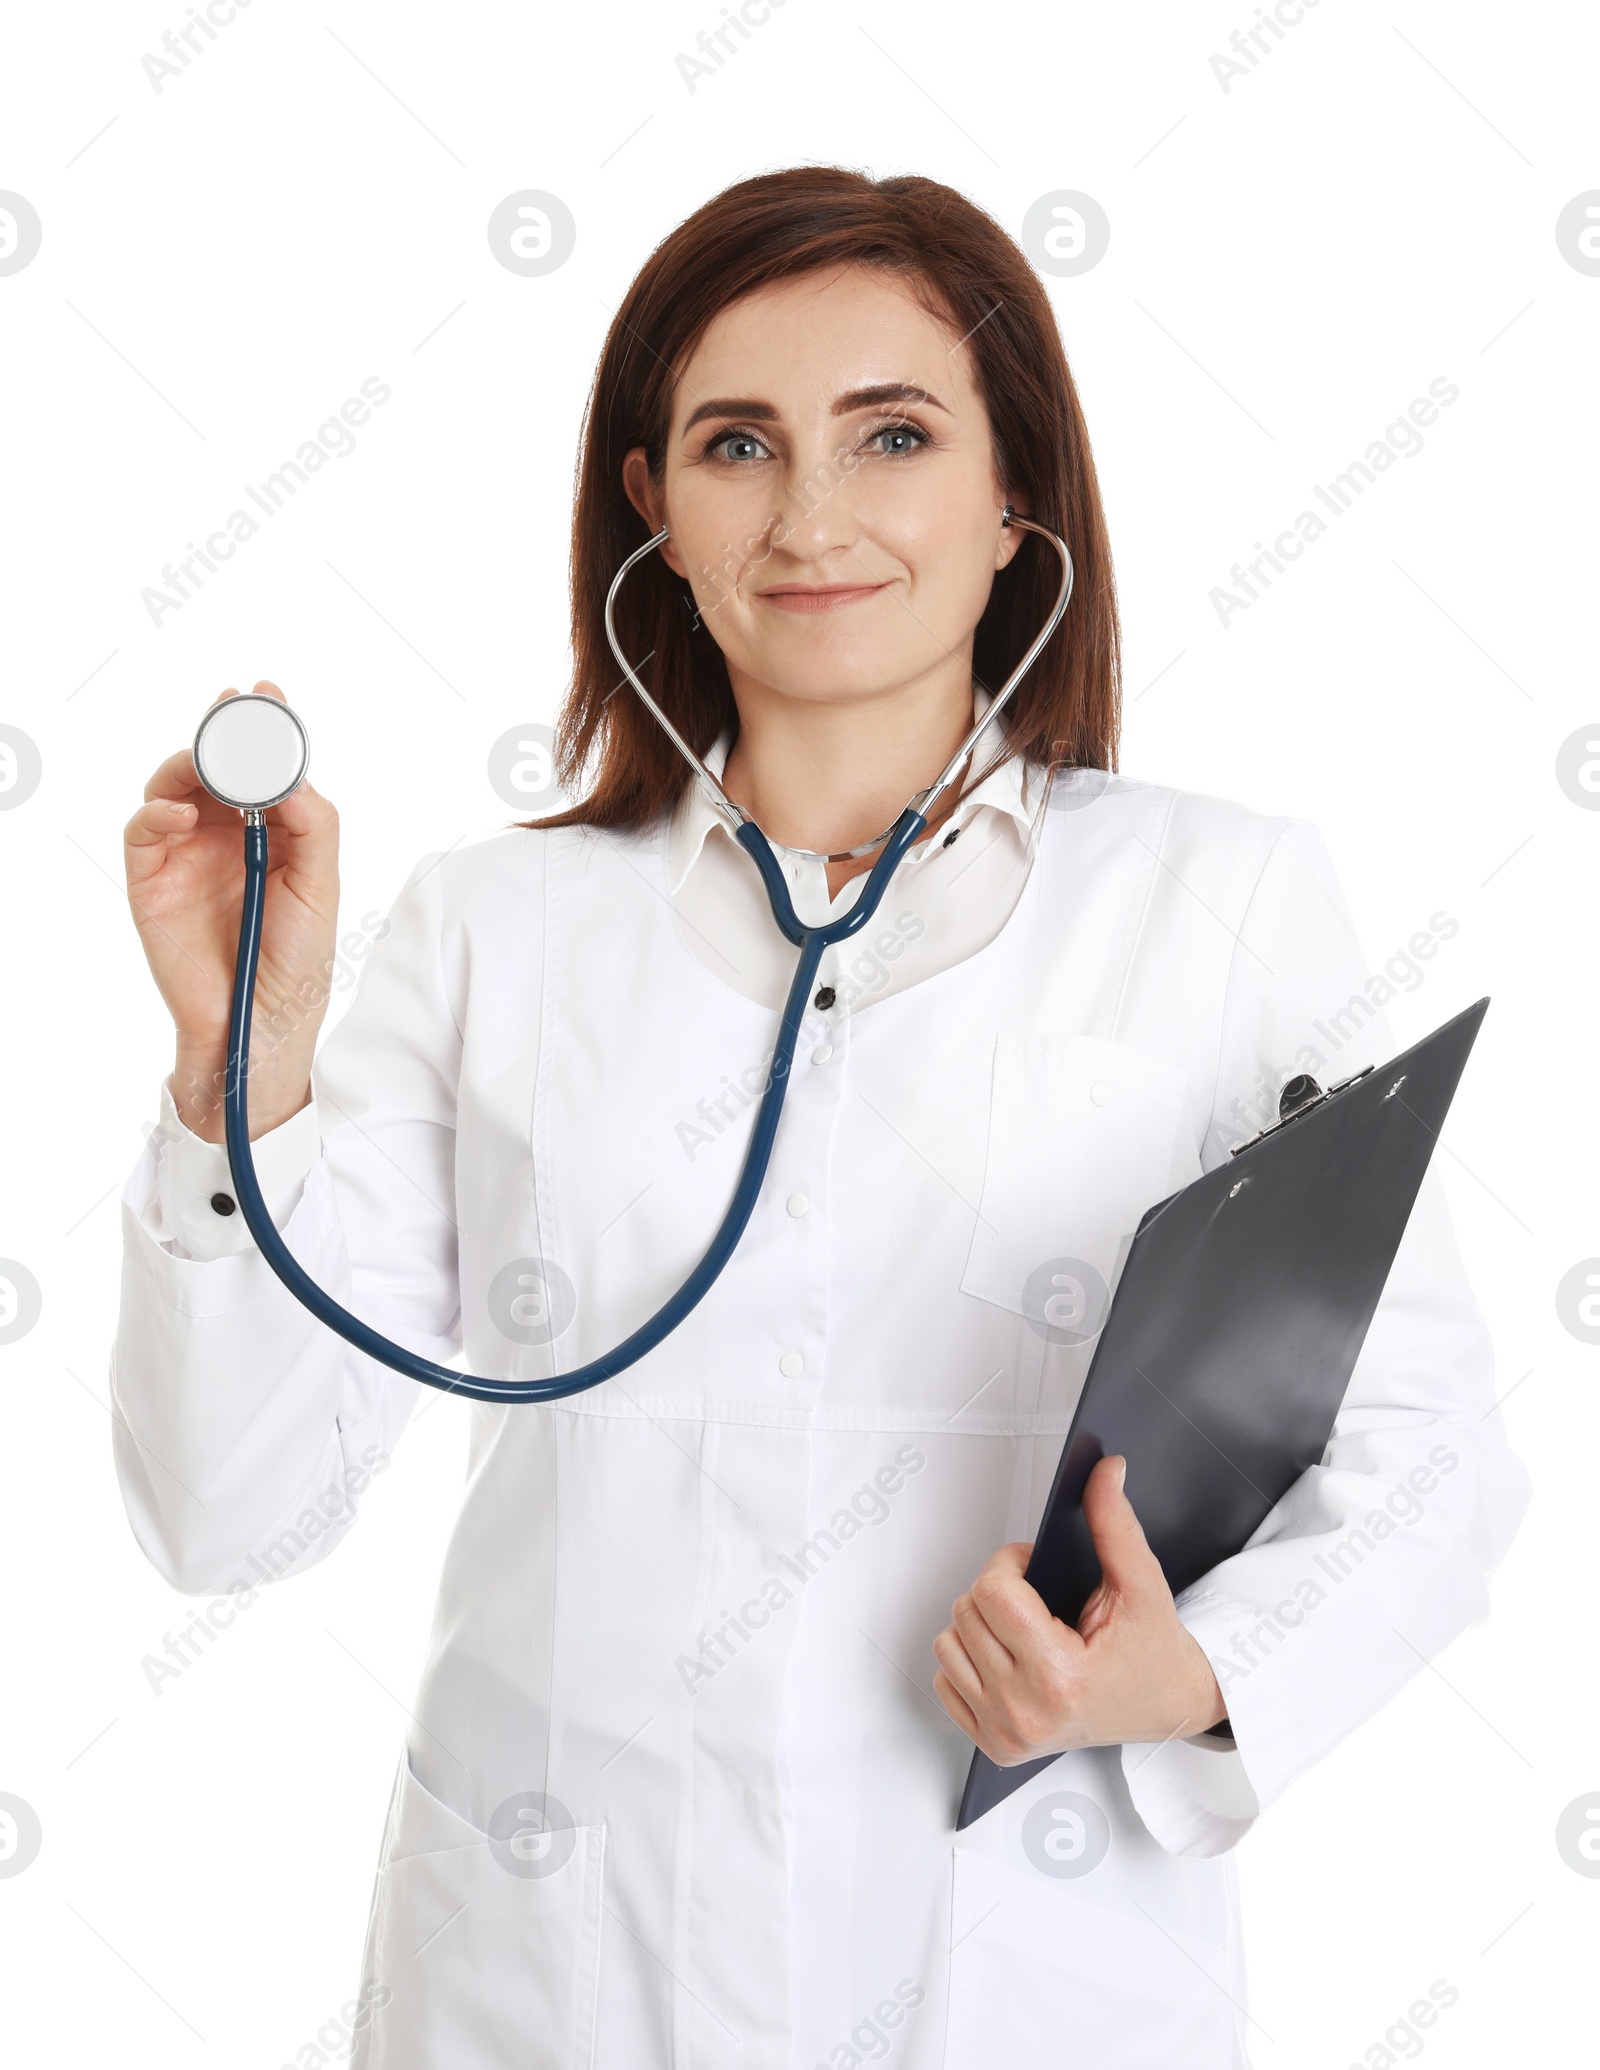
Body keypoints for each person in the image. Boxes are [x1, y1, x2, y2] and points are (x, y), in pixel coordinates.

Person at [113, 167, 1528, 2069]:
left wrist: (1192, 1672)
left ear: (1014, 496)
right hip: (561, 1973)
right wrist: (238, 1065)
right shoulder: (493, 927)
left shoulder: (1225, 906)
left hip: (1029, 1953)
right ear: (654, 513)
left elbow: (1433, 1455)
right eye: (736, 444)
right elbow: (230, 1512)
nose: (812, 514)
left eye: (892, 434)